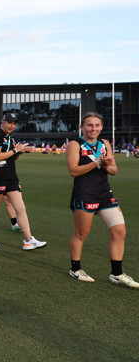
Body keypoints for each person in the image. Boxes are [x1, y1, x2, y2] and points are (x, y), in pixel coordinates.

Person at [67, 112, 138, 288]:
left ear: (102, 127)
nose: (94, 128)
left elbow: (114, 171)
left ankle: (117, 274)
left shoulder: (105, 143)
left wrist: (106, 164)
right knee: (81, 234)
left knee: (120, 231)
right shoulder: (75, 145)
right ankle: (75, 269)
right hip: (85, 194)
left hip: (105, 193)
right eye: (90, 125)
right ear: (82, 127)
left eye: (97, 125)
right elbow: (74, 171)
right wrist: (97, 162)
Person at [0, 113, 46, 250]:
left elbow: (10, 158)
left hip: (11, 177)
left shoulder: (10, 137)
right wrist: (16, 149)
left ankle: (28, 239)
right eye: (9, 122)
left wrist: (18, 152)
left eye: (14, 123)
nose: (12, 126)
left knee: (20, 208)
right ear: (2, 122)